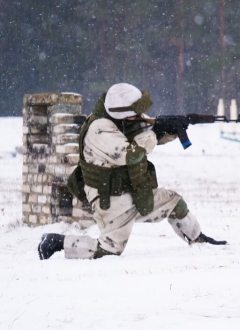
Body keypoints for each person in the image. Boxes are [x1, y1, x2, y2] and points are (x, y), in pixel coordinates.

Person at [38, 83, 226, 260]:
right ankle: (58, 242)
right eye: (135, 114)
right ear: (123, 114)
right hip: (109, 199)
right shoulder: (99, 129)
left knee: (174, 202)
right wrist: (154, 133)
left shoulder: (118, 121)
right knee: (108, 251)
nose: (139, 116)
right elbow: (132, 154)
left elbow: (141, 133)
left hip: (131, 192)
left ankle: (196, 237)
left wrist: (168, 131)